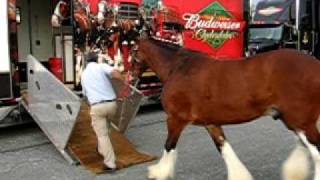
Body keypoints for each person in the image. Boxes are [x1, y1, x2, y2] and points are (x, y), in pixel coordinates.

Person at [81, 52, 124, 171]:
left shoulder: (83, 74)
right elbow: (115, 73)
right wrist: (124, 82)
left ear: (86, 61)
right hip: (111, 105)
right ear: (96, 59)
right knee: (107, 129)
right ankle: (101, 150)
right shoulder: (101, 66)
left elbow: (84, 94)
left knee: (102, 135)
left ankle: (110, 163)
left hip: (97, 107)